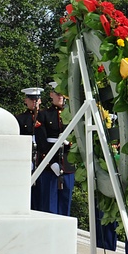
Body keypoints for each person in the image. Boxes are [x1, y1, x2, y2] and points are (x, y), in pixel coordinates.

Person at [35, 82, 76, 218]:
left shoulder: (71, 114)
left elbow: (77, 137)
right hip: (49, 164)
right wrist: (51, 162)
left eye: (63, 95)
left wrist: (69, 143)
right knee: (49, 205)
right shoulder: (44, 115)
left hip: (67, 163)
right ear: (51, 94)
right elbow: (41, 141)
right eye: (58, 94)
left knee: (65, 204)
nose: (60, 98)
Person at [16, 87, 43, 211]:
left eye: (37, 100)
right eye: (31, 100)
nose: (34, 102)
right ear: (26, 100)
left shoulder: (45, 117)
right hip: (27, 155)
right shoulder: (20, 118)